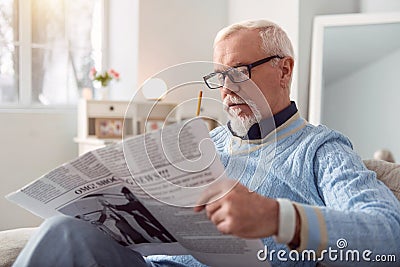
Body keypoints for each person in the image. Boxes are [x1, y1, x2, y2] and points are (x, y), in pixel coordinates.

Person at [12, 19, 400, 267]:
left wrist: (275, 218)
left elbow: (388, 237)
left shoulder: (321, 149)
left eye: (240, 72)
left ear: (284, 69)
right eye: (219, 76)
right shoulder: (201, 144)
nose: (228, 89)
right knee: (65, 230)